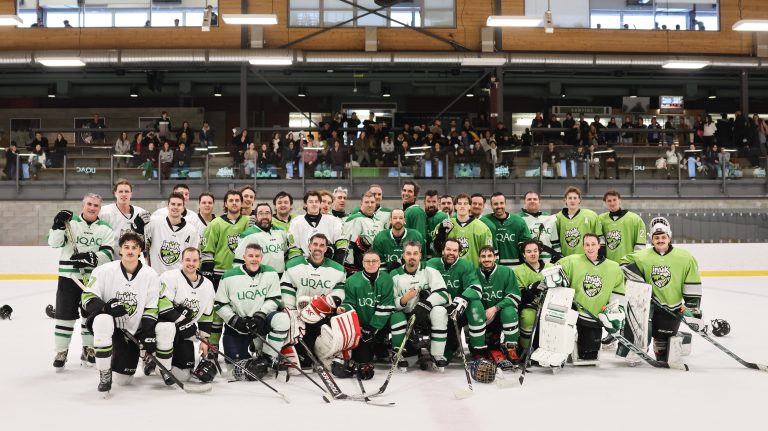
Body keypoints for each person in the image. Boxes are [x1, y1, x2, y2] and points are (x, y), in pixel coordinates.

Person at [81, 232, 160, 394]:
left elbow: (151, 307)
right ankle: (104, 373)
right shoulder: (104, 271)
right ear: (120, 250)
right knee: (103, 320)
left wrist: (147, 333)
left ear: (140, 251)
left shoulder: (150, 274)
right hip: (109, 327)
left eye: (134, 247)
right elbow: (86, 297)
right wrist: (106, 307)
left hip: (130, 332)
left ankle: (119, 359)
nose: (130, 251)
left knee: (124, 380)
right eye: (126, 247)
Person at [620, 217, 702, 362]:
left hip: (671, 307)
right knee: (641, 326)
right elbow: (624, 263)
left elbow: (692, 283)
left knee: (662, 354)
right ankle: (636, 348)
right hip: (650, 304)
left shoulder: (685, 258)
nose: (660, 240)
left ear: (669, 238)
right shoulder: (642, 256)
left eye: (663, 237)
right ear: (652, 240)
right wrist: (641, 282)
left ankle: (682, 338)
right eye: (656, 237)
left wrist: (692, 307)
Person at [50, 193, 116, 370]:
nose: (92, 208)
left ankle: (88, 348)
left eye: (96, 205)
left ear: (100, 208)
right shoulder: (69, 224)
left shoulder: (106, 228)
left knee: (90, 316)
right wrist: (57, 226)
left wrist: (89, 258)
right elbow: (54, 243)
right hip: (68, 277)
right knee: (64, 316)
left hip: (92, 280)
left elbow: (108, 255)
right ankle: (61, 351)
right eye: (89, 204)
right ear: (83, 205)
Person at [215, 243, 289, 374]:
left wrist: (260, 314)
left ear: (261, 257)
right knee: (237, 370)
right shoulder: (228, 276)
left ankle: (268, 356)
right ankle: (254, 346)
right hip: (238, 326)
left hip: (260, 322)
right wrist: (235, 321)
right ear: (244, 257)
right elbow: (220, 304)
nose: (254, 259)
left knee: (282, 319)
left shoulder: (270, 273)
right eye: (250, 256)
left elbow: (274, 298)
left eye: (257, 256)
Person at [280, 233, 347, 367]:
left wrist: (327, 304)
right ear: (309, 246)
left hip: (324, 314)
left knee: (329, 336)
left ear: (326, 248)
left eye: (322, 245)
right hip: (300, 315)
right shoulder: (293, 265)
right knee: (305, 361)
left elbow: (339, 292)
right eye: (315, 244)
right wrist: (291, 311)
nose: (318, 248)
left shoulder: (338, 269)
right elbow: (287, 290)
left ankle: (327, 354)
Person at [557, 233, 625, 362]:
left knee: (589, 356)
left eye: (593, 244)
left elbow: (618, 293)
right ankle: (570, 339)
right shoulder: (571, 261)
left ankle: (579, 340)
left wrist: (613, 312)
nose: (590, 248)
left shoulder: (613, 267)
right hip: (574, 311)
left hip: (593, 316)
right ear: (583, 247)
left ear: (599, 245)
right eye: (587, 245)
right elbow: (554, 270)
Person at [450, 246, 521, 367]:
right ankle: (478, 349)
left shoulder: (507, 272)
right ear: (479, 259)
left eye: (489, 256)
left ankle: (511, 348)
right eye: (483, 256)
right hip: (479, 318)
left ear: (495, 257)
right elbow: (468, 294)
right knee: (473, 309)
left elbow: (515, 296)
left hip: (499, 315)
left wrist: (495, 308)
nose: (486, 259)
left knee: (510, 312)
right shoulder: (474, 274)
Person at [153, 247, 215, 382]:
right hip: (165, 327)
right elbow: (162, 305)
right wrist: (183, 321)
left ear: (199, 262)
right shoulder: (170, 277)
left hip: (184, 332)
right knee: (166, 329)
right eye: (187, 260)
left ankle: (163, 363)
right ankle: (154, 360)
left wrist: (204, 340)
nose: (191, 263)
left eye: (194, 260)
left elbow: (206, 315)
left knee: (183, 375)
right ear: (182, 260)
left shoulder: (208, 285)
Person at [201, 190, 250, 350]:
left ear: (242, 203)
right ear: (226, 204)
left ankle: (238, 349)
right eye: (231, 200)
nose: (234, 203)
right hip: (219, 276)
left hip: (242, 276)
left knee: (240, 313)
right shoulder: (215, 224)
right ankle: (212, 349)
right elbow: (207, 251)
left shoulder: (248, 222)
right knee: (217, 315)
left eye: (237, 200)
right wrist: (208, 277)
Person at [335, 250, 395, 379]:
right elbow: (350, 302)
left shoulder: (387, 279)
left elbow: (386, 306)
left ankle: (382, 347)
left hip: (380, 326)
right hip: (362, 329)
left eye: (374, 261)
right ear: (362, 263)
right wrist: (344, 309)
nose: (371, 263)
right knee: (362, 358)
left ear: (379, 263)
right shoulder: (352, 280)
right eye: (367, 261)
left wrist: (372, 327)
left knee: (395, 320)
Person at [389, 241, 449, 369]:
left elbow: (443, 293)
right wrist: (404, 299)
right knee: (396, 317)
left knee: (440, 311)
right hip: (406, 315)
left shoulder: (430, 271)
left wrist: (426, 304)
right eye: (409, 253)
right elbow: (390, 302)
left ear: (420, 255)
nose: (412, 256)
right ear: (403, 256)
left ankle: (437, 354)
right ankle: (398, 352)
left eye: (415, 253)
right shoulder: (394, 275)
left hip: (425, 315)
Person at [427, 238, 487, 361]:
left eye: (455, 250)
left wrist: (460, 301)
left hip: (457, 310)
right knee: (447, 348)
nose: (451, 253)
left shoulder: (466, 265)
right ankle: (440, 349)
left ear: (459, 252)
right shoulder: (432, 264)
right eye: (448, 249)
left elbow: (476, 288)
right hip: (438, 309)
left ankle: (478, 349)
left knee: (476, 305)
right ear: (443, 251)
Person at [144, 192, 200, 275]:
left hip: (178, 279)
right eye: (173, 204)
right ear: (168, 205)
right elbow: (141, 244)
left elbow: (192, 258)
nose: (176, 207)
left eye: (179, 204)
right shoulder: (154, 224)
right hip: (156, 277)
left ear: (183, 207)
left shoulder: (191, 231)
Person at [513, 240, 554, 350]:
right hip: (529, 306)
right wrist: (532, 289)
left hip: (549, 306)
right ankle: (526, 349)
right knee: (527, 318)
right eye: (529, 251)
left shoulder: (551, 267)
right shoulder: (518, 271)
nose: (533, 254)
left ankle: (551, 348)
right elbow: (519, 296)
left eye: (535, 251)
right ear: (523, 254)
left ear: (539, 252)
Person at [432, 194, 493, 268]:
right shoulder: (445, 225)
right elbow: (437, 250)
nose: (462, 206)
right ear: (455, 206)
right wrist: (441, 233)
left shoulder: (482, 228)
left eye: (465, 203)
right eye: (459, 203)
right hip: (451, 273)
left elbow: (487, 255)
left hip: (473, 272)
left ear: (470, 206)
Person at [286, 191, 346, 264]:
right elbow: (294, 250)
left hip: (328, 264)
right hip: (305, 265)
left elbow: (342, 244)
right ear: (305, 204)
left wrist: (335, 265)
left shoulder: (333, 221)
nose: (314, 204)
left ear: (320, 203)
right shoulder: (296, 222)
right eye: (311, 202)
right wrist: (301, 266)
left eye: (316, 201)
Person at [234, 203, 289, 275]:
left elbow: (285, 254)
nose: (264, 216)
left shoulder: (281, 232)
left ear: (271, 215)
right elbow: (239, 262)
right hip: (260, 278)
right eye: (260, 213)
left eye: (267, 213)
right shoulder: (248, 235)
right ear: (256, 216)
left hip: (281, 277)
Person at [480, 192, 531, 266]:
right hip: (494, 266)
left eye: (501, 203)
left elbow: (527, 244)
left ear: (505, 204)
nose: (499, 206)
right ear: (491, 205)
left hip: (516, 266)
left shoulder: (519, 221)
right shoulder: (485, 221)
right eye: (495, 204)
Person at [342, 192, 386, 273]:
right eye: (366, 202)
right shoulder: (355, 219)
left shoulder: (378, 222)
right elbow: (348, 245)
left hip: (376, 264)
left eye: (372, 202)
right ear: (361, 203)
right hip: (361, 267)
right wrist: (353, 267)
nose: (370, 205)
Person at [598, 190, 646, 263]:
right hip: (608, 264)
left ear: (620, 200)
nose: (612, 203)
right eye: (609, 201)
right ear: (605, 203)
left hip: (628, 263)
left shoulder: (635, 219)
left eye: (614, 200)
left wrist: (635, 262)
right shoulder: (601, 219)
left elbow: (640, 244)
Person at [99, 179, 149, 248]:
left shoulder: (140, 212)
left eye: (127, 191)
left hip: (136, 257)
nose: (124, 194)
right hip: (113, 257)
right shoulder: (104, 212)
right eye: (120, 191)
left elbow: (148, 239)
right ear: (115, 193)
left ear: (131, 194)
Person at [555, 186, 602, 257]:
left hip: (587, 259)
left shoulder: (591, 216)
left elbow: (599, 237)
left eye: (575, 198)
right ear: (565, 200)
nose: (572, 200)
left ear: (579, 200)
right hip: (566, 259)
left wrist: (600, 256)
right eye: (570, 198)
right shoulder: (558, 217)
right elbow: (555, 241)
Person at [423, 190, 448, 259]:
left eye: (434, 201)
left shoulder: (443, 216)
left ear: (438, 202)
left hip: (438, 257)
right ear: (424, 202)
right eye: (428, 201)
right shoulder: (422, 216)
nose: (431, 205)